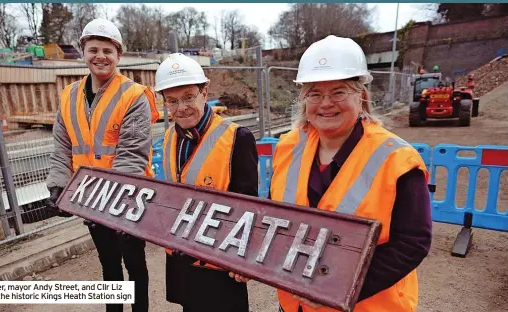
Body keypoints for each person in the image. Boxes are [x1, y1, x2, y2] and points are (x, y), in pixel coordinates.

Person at [269, 35, 432, 312]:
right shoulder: (288, 146)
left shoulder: (397, 159)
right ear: (303, 100)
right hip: (296, 303)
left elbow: (411, 243)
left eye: (339, 92)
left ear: (362, 96)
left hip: (365, 305)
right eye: (315, 94)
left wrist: (340, 286)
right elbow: (274, 218)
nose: (326, 104)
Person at [44, 18, 160, 312]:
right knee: (109, 265)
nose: (100, 56)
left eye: (108, 50)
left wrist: (116, 205)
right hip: (90, 197)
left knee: (134, 264)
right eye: (93, 49)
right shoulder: (69, 96)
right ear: (83, 52)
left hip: (127, 198)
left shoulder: (133, 96)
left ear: (118, 55)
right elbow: (62, 145)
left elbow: (132, 154)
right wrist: (59, 184)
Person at [155, 53, 258, 312]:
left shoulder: (237, 138)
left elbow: (249, 207)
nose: (181, 108)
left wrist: (243, 260)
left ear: (204, 91)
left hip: (219, 265)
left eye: (189, 97)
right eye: (172, 101)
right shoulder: (169, 138)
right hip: (180, 258)